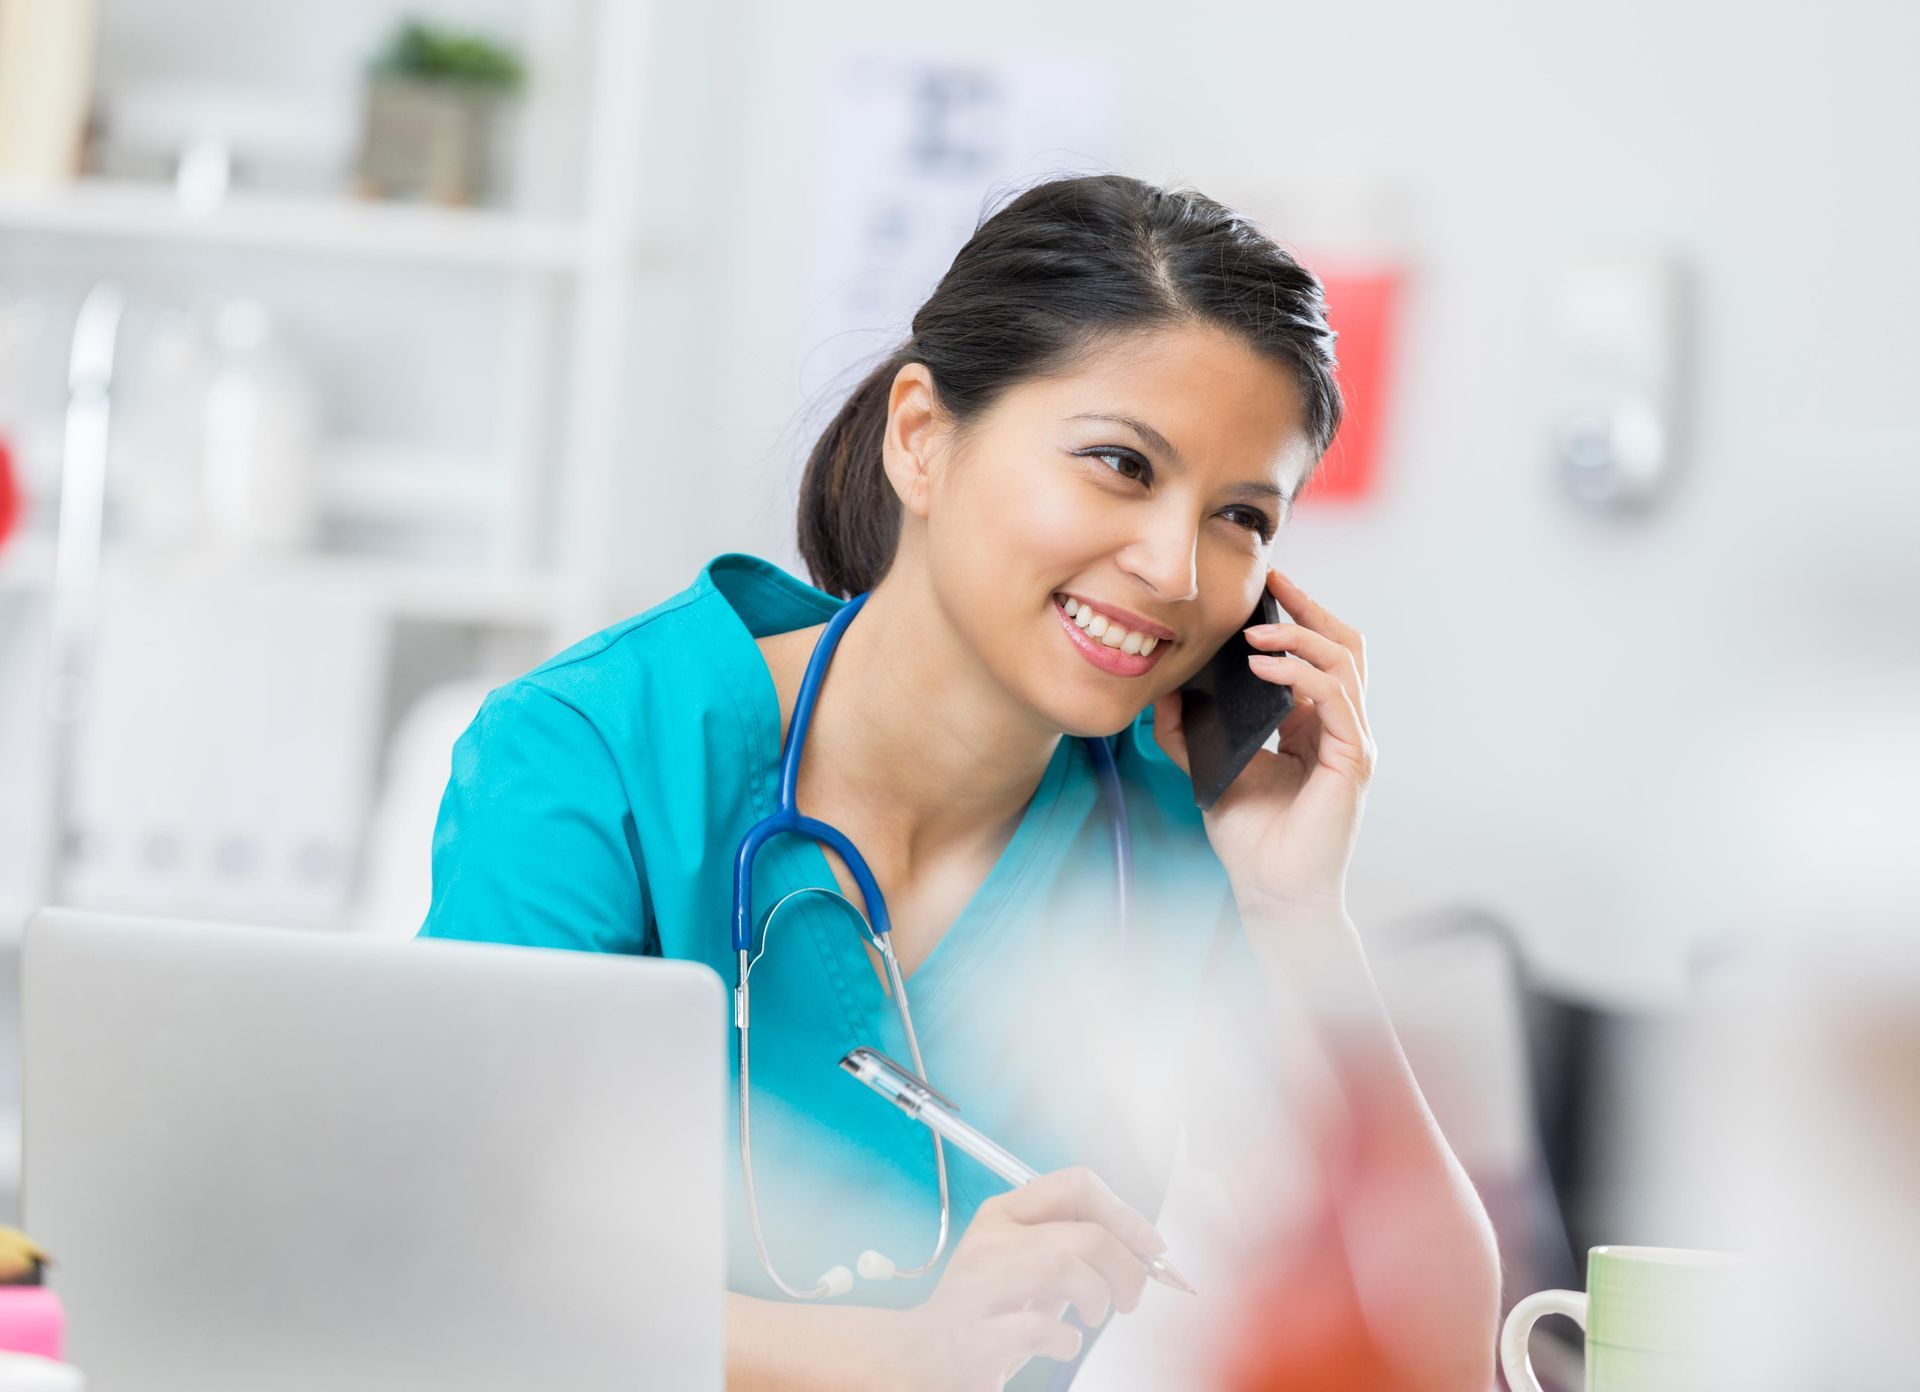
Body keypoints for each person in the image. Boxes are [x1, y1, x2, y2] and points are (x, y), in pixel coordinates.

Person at [418, 172, 1499, 1391]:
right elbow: (464, 1262)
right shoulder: (602, 755)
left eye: (1241, 517)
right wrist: (899, 1358)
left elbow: (1440, 1356)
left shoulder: (1169, 831)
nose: (1176, 570)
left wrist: (1300, 914)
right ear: (923, 438)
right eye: (1120, 464)